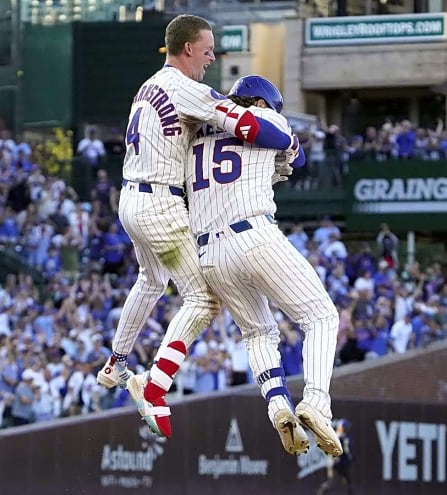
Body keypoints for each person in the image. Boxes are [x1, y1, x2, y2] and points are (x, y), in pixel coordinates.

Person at [96, 14, 302, 435]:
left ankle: (116, 363)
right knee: (204, 298)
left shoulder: (149, 84)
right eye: (207, 50)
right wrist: (288, 140)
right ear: (188, 48)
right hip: (161, 207)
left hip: (132, 199)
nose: (211, 58)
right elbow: (245, 123)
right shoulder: (185, 88)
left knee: (151, 282)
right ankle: (155, 387)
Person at [135, 75, 341, 456]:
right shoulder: (267, 121)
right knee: (321, 316)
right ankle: (315, 402)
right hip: (254, 233)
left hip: (210, 252)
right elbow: (299, 156)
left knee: (259, 333)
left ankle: (278, 405)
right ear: (261, 103)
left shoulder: (194, 136)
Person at [317, 419, 354, 495]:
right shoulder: (340, 436)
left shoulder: (342, 436)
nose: (346, 429)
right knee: (332, 482)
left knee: (347, 482)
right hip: (337, 462)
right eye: (345, 427)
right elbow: (347, 451)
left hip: (339, 462)